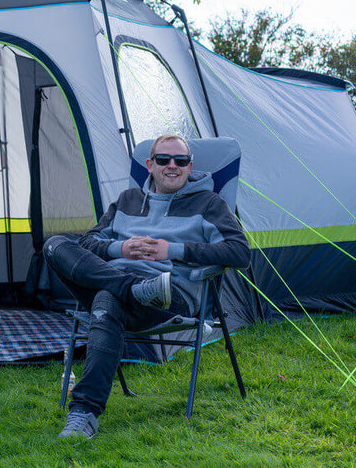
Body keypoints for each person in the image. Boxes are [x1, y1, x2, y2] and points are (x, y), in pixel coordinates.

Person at [43, 134, 250, 438]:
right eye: (164, 160)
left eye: (180, 161)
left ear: (189, 166)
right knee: (55, 244)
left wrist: (174, 250)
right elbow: (88, 241)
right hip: (121, 282)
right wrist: (120, 249)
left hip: (168, 296)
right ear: (150, 165)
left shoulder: (209, 203)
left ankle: (85, 413)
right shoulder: (127, 200)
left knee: (106, 301)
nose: (172, 166)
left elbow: (239, 252)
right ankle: (129, 288)